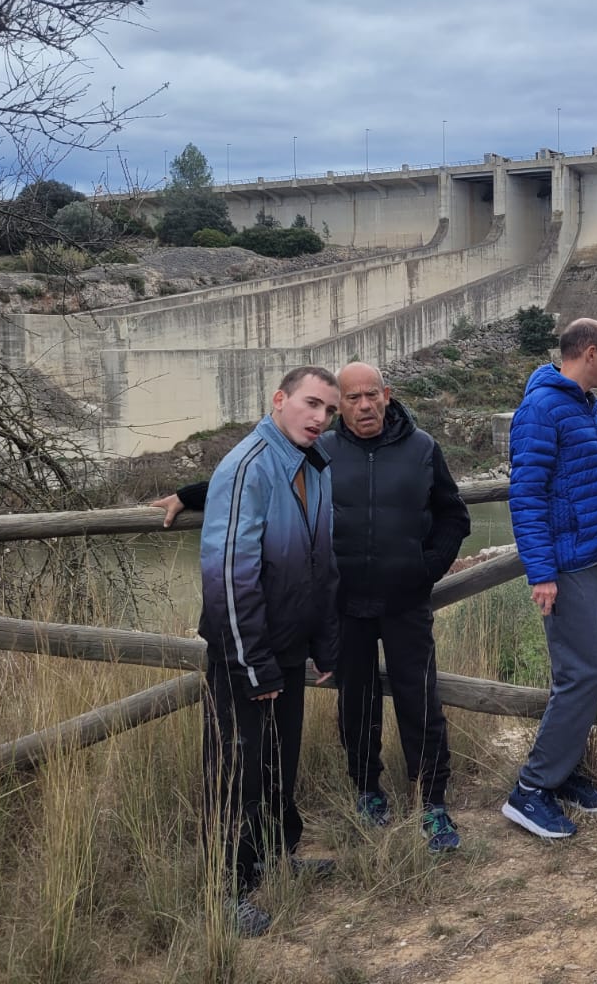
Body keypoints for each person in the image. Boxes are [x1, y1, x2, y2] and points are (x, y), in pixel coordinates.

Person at [155, 362, 471, 854]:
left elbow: (454, 514)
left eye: (371, 396)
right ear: (338, 406)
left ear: (387, 395)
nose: (362, 406)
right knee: (355, 705)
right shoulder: (319, 448)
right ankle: (367, 790)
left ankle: (431, 800)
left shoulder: (422, 448)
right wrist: (187, 494)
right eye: (348, 399)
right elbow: (253, 477)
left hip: (405, 602)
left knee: (420, 700)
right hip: (346, 605)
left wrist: (425, 567)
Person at [198, 365, 341, 938]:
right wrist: (251, 661)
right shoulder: (248, 467)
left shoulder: (313, 464)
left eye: (327, 410)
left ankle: (277, 858)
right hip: (244, 652)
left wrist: (324, 643)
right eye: (311, 404)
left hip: (287, 647)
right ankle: (223, 891)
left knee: (279, 759)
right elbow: (229, 574)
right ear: (278, 399)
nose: (320, 417)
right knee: (235, 769)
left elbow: (321, 564)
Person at [501, 317, 597, 839]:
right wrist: (542, 573)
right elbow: (526, 495)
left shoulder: (580, 404)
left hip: (589, 561)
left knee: (578, 675)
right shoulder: (543, 408)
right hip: (566, 567)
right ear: (591, 352)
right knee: (583, 676)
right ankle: (531, 789)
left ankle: (564, 771)